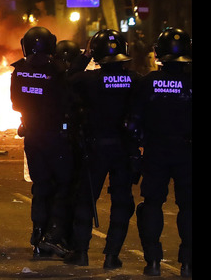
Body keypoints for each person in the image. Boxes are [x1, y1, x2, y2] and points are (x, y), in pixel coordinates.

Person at [64, 30, 140, 269]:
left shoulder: (88, 80)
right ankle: (111, 255)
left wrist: (84, 56)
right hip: (124, 149)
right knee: (121, 202)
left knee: (86, 199)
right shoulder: (136, 79)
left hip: (95, 148)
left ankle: (82, 252)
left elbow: (67, 79)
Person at [127, 28, 192, 277]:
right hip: (186, 151)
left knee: (152, 204)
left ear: (159, 53)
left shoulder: (148, 83)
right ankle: (187, 264)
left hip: (156, 151)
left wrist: (134, 149)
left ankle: (153, 262)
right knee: (188, 207)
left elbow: (134, 120)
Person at [10, 26, 75, 259]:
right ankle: (53, 236)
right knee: (62, 186)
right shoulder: (58, 70)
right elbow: (66, 101)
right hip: (55, 137)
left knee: (40, 187)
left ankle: (37, 238)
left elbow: (16, 103)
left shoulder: (18, 71)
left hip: (32, 136)